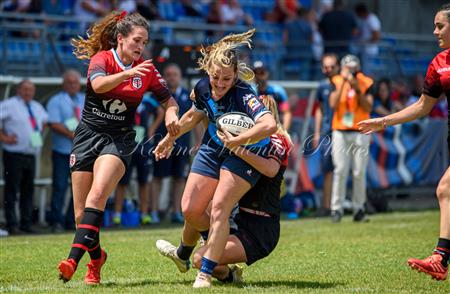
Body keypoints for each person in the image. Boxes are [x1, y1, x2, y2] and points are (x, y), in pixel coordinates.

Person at [57, 11, 180, 285]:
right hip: (88, 135)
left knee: (97, 197)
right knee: (81, 216)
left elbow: (169, 101)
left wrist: (171, 114)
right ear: (121, 39)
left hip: (119, 138)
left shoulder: (146, 69)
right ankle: (97, 259)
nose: (140, 47)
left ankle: (72, 261)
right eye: (137, 40)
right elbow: (98, 86)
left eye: (144, 42)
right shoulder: (102, 59)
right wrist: (128, 74)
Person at [153, 29, 277, 288]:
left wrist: (239, 141)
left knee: (220, 206)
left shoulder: (244, 94)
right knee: (190, 208)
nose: (220, 84)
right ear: (208, 72)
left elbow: (269, 124)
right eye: (215, 77)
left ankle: (206, 272)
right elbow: (193, 115)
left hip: (247, 152)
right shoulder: (202, 88)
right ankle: (217, 248)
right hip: (214, 146)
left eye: (227, 79)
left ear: (235, 76)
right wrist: (170, 137)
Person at [156, 95, 292, 286]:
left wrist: (236, 147)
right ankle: (182, 253)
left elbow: (270, 169)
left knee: (199, 260)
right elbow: (214, 130)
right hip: (238, 219)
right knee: (197, 205)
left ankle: (230, 275)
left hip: (259, 229)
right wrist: (204, 101)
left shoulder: (277, 139)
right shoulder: (243, 136)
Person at [357, 3, 450, 281]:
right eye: (434, 25)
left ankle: (440, 258)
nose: (434, 31)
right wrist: (383, 121)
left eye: (440, 25)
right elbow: (423, 106)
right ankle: (441, 258)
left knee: (445, 189)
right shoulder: (439, 64)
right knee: (446, 191)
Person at [151, 63, 199, 224]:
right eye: (168, 74)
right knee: (158, 177)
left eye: (174, 74)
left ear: (180, 77)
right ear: (164, 78)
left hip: (183, 146)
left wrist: (198, 141)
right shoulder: (157, 97)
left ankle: (176, 211)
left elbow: (195, 120)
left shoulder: (189, 96)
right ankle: (154, 211)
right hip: (162, 144)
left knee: (180, 178)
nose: (171, 77)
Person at [329, 54, 374, 223]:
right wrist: (344, 84)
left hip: (361, 130)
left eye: (353, 68)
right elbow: (333, 104)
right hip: (340, 130)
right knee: (340, 170)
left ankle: (359, 208)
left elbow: (368, 105)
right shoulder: (336, 80)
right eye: (348, 67)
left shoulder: (366, 82)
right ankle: (336, 209)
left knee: (359, 171)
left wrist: (356, 87)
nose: (350, 71)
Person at [0, 79, 48, 235]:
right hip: (14, 154)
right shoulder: (9, 105)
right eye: (25, 89)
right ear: (18, 90)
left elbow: (44, 122)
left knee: (28, 191)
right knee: (12, 190)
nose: (28, 92)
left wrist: (39, 132)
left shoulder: (37, 106)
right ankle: (12, 224)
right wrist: (4, 137)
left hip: (31, 154)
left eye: (31, 90)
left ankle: (26, 224)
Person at [113, 95, 164, 226]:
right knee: (122, 181)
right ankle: (117, 214)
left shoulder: (148, 100)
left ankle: (144, 214)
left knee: (144, 181)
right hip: (126, 145)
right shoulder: (124, 98)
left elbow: (161, 111)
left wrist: (152, 129)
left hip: (143, 146)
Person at [46, 69, 85, 233]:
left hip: (81, 152)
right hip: (62, 151)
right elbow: (53, 123)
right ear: (63, 84)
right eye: (69, 82)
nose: (72, 85)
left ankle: (72, 220)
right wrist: (71, 134)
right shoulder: (55, 101)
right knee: (60, 186)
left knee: (79, 188)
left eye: (75, 82)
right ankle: (56, 221)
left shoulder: (85, 99)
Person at [312, 53, 339, 216]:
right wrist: (317, 133)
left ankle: (341, 205)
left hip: (344, 130)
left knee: (345, 170)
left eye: (331, 66)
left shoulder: (344, 84)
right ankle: (326, 206)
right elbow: (319, 111)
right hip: (328, 132)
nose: (328, 70)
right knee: (327, 169)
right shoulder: (322, 87)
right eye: (326, 66)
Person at [253, 61, 292, 131]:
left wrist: (284, 132)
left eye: (261, 73)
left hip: (275, 129)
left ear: (267, 73)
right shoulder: (250, 92)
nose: (259, 76)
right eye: (256, 73)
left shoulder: (277, 91)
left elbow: (286, 113)